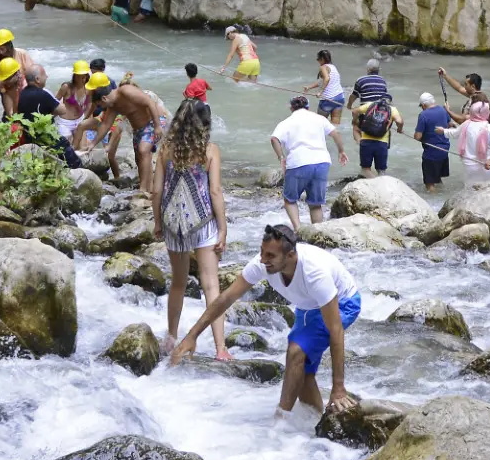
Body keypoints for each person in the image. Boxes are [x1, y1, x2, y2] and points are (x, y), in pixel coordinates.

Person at [172, 223, 359, 417]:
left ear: (290, 256)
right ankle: (315, 424)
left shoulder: (314, 274)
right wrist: (192, 336)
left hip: (344, 302)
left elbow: (335, 329)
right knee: (302, 373)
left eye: (270, 256)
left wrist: (338, 388)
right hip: (309, 305)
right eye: (262, 252)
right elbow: (226, 298)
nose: (263, 260)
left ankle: (280, 421)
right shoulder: (261, 264)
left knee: (296, 352)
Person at [156, 98, 230, 360]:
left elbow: (157, 190)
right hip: (202, 222)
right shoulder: (209, 151)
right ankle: (221, 349)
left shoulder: (165, 149)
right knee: (211, 285)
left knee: (177, 283)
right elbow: (215, 191)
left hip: (173, 222)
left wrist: (157, 223)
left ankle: (171, 337)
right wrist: (222, 228)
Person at [77, 78, 167, 191]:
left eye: (100, 105)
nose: (101, 108)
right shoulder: (113, 106)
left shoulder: (126, 91)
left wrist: (158, 125)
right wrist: (93, 144)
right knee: (139, 158)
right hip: (138, 129)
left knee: (144, 150)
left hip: (154, 121)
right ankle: (149, 189)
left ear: (104, 98)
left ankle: (143, 190)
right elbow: (106, 125)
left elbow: (150, 102)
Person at [272, 95, 345, 228]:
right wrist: (341, 151)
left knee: (290, 199)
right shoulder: (319, 118)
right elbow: (336, 134)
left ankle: (298, 229)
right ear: (308, 107)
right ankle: (317, 231)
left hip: (298, 162)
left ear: (291, 108)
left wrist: (281, 157)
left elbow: (274, 139)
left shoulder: (286, 122)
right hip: (321, 162)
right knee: (315, 204)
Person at [349, 77, 400, 178]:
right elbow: (399, 121)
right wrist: (400, 128)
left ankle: (373, 183)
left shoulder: (371, 105)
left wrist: (355, 121)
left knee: (365, 169)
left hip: (366, 141)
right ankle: (381, 185)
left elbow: (354, 111)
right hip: (382, 143)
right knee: (381, 171)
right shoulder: (392, 109)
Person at [413, 91, 452, 193]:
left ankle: (434, 206)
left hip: (431, 153)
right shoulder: (443, 110)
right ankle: (443, 197)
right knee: (438, 179)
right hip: (444, 150)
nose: (422, 108)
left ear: (424, 105)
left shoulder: (423, 115)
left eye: (421, 106)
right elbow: (450, 125)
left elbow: (418, 136)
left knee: (430, 184)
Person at [453, 103, 490, 184]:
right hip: (488, 161)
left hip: (472, 163)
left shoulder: (468, 124)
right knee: (487, 186)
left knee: (472, 188)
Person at [306, 50, 346, 121]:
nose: (317, 61)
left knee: (320, 124)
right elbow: (322, 81)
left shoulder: (323, 67)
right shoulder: (333, 67)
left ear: (322, 59)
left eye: (318, 59)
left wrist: (320, 92)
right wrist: (309, 87)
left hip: (328, 99)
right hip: (340, 98)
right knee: (335, 125)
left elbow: (327, 79)